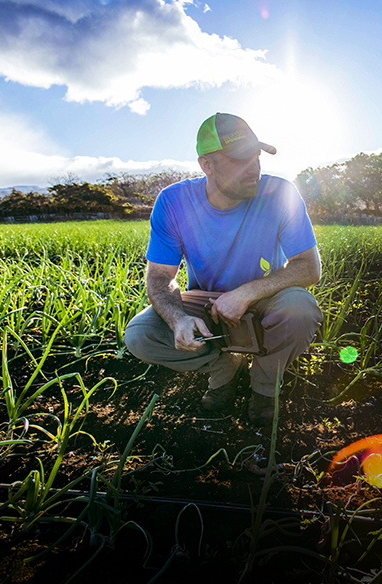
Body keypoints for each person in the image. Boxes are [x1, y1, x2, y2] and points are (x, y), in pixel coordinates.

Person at [124, 113, 323, 427]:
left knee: (300, 308)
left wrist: (247, 293)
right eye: (240, 159)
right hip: (207, 304)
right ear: (207, 165)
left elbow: (309, 268)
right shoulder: (173, 202)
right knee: (139, 335)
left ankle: (263, 384)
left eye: (256, 156)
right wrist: (178, 318)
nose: (254, 167)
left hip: (264, 297)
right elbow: (161, 277)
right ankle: (223, 368)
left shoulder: (280, 194)